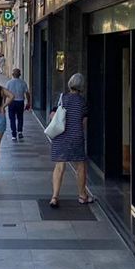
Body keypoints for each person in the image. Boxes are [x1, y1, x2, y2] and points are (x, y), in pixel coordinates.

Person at [49, 72, 92, 207]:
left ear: (70, 84)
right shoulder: (82, 102)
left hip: (60, 137)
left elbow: (52, 116)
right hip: (76, 137)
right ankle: (82, 195)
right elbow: (84, 123)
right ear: (82, 86)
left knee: (59, 166)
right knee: (80, 166)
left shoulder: (62, 98)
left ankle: (54, 197)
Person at [4, 68, 29, 141]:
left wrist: (4, 103)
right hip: (20, 102)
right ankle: (20, 131)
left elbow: (5, 94)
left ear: (12, 74)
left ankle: (14, 135)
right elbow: (27, 93)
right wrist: (28, 102)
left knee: (12, 119)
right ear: (20, 75)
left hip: (11, 103)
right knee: (20, 117)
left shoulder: (9, 83)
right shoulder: (23, 82)